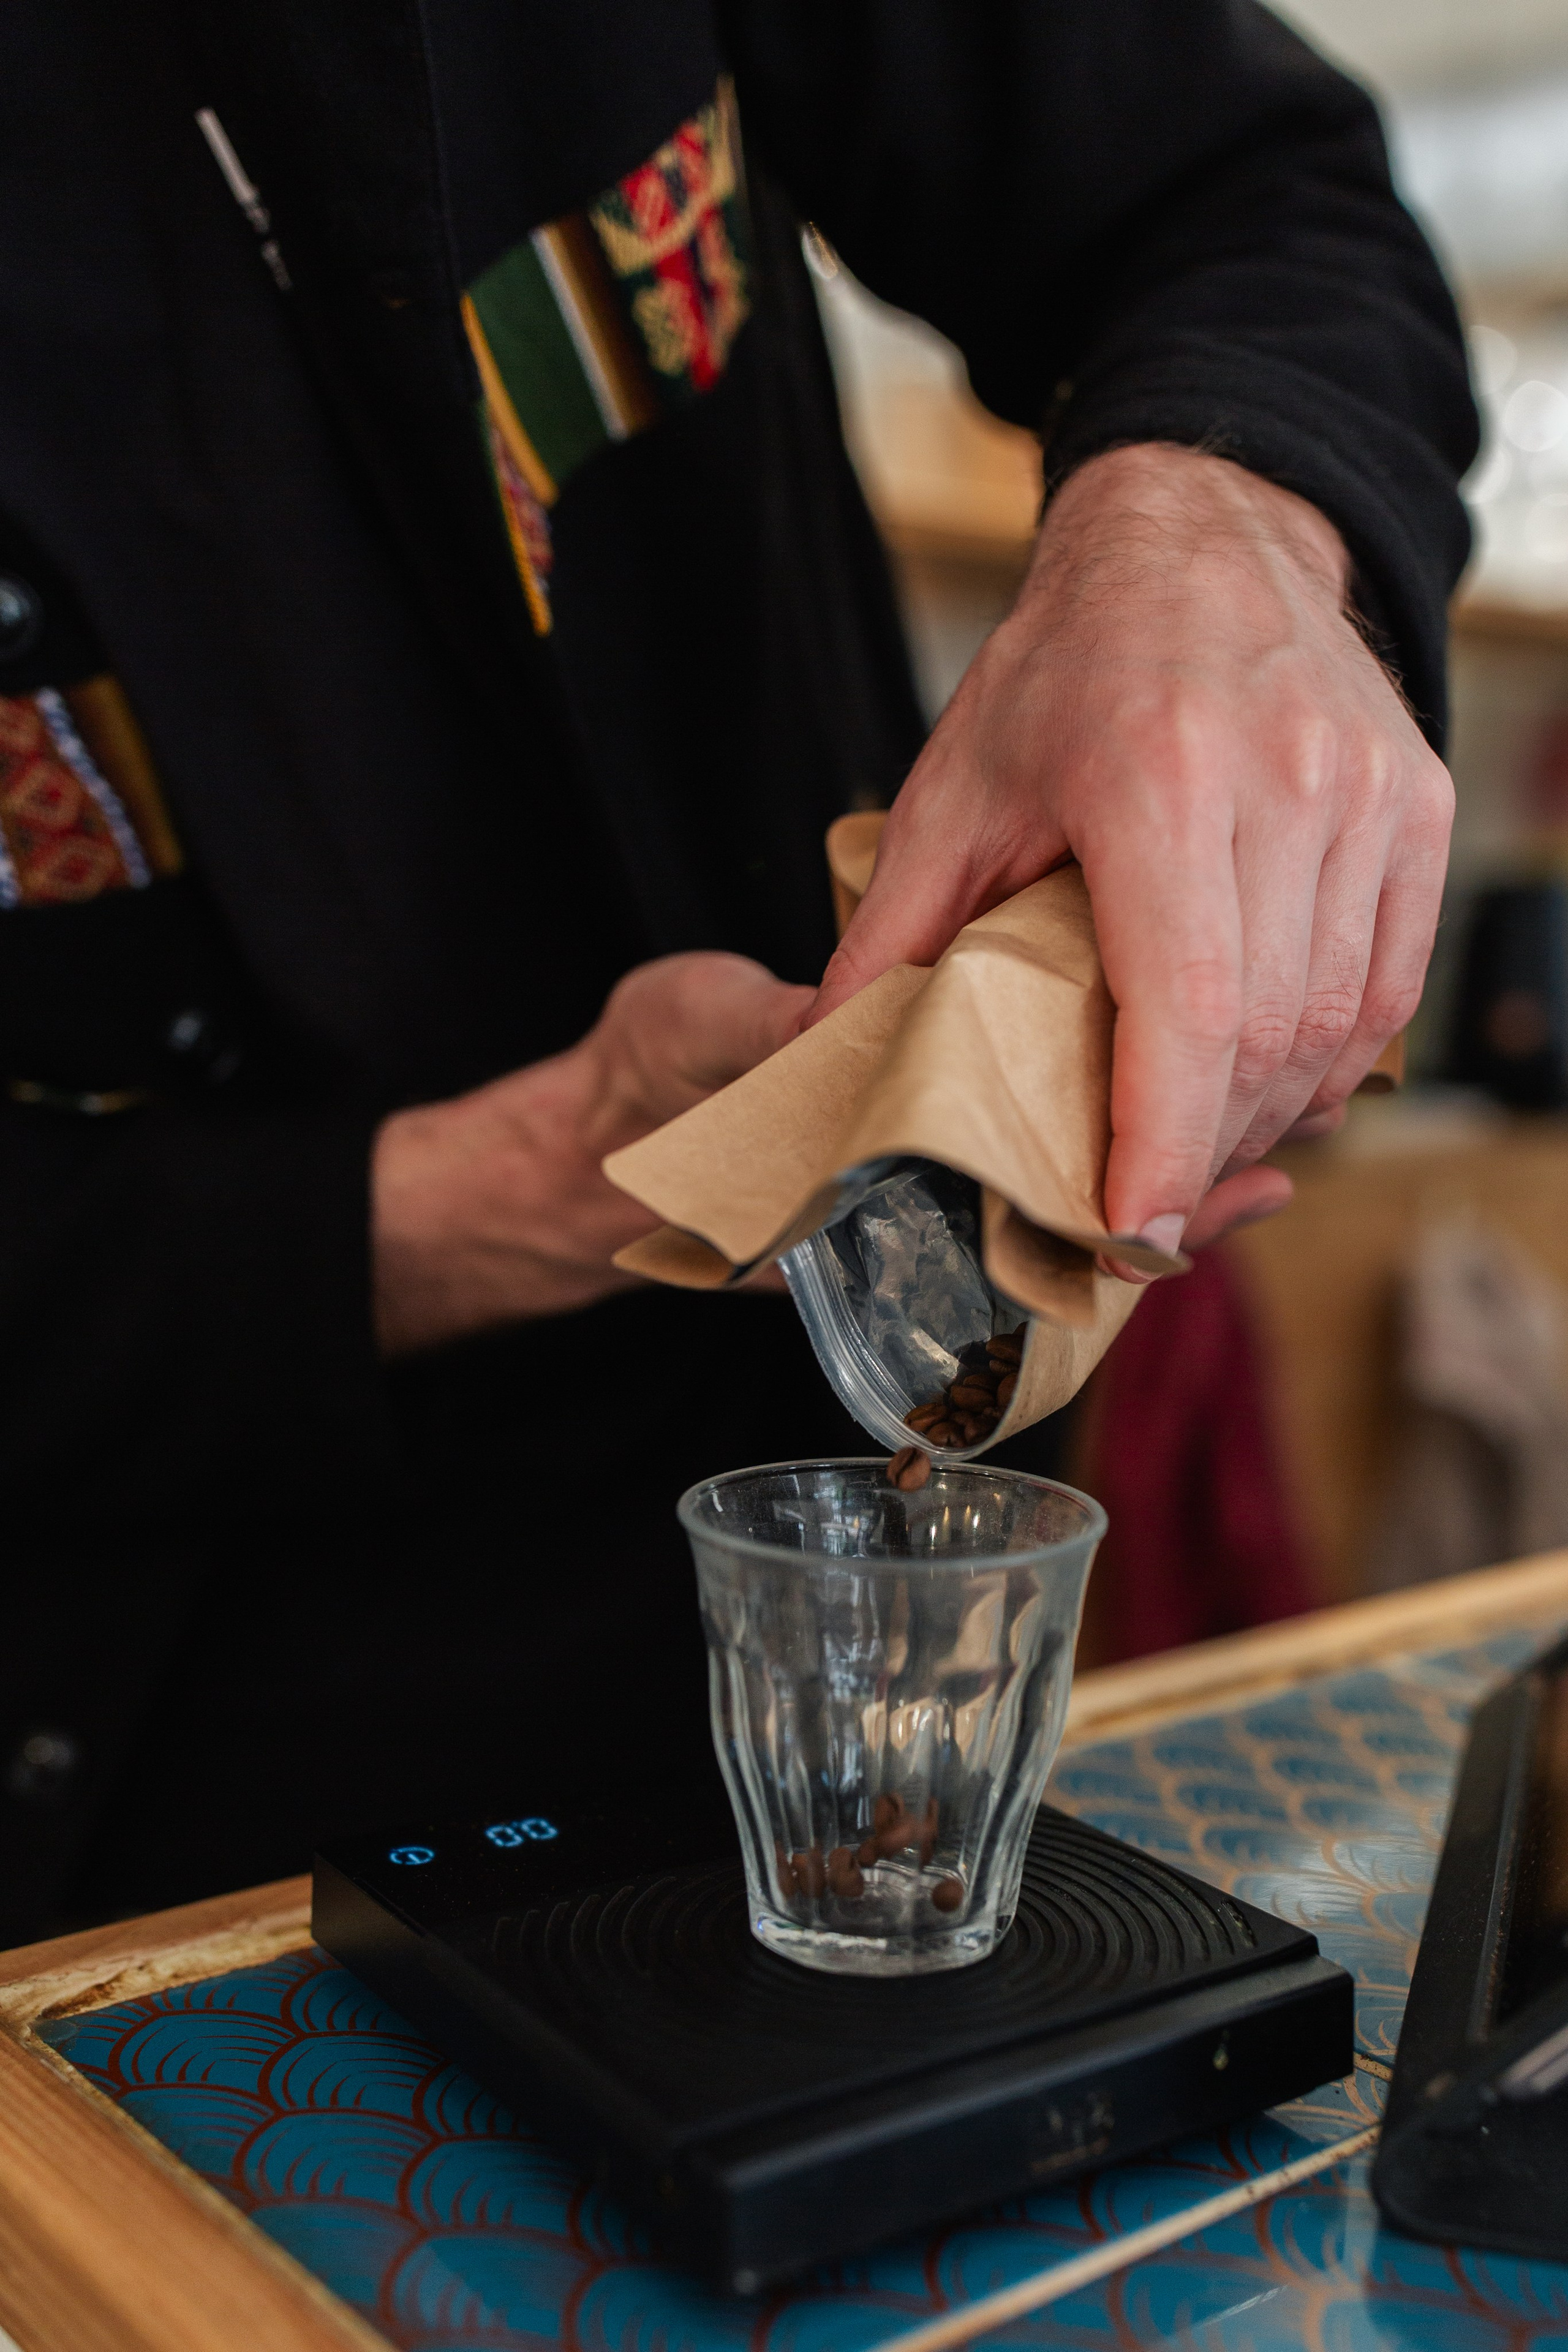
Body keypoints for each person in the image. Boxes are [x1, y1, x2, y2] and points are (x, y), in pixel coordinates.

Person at [0, 0, 1476, 1941]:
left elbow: (1231, 181)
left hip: (789, 1409)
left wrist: (1214, 542)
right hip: (154, 1718)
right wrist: (497, 1192)